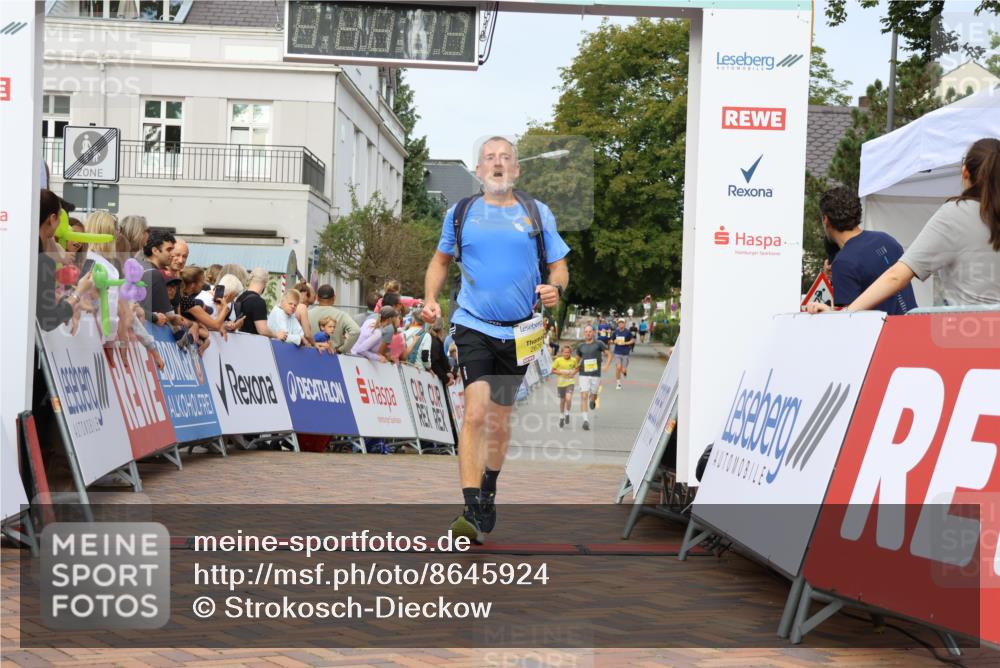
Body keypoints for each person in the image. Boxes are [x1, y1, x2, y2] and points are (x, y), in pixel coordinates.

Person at [421, 135, 570, 542]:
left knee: (500, 423)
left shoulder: (537, 213)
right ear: (480, 170)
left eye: (506, 158)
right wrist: (432, 298)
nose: (498, 163)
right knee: (475, 412)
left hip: (520, 334)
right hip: (473, 325)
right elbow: (440, 261)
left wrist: (555, 288)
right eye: (489, 157)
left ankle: (489, 487)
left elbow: (559, 267)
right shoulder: (461, 213)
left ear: (517, 170)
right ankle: (471, 507)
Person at [811, 138, 1000, 312]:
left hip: (972, 334)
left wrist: (845, 314)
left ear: (965, 171)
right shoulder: (883, 240)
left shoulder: (955, 214)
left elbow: (897, 277)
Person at [817, 186, 916, 314]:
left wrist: (827, 311)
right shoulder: (887, 239)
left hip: (882, 332)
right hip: (914, 325)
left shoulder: (843, 262)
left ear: (826, 219)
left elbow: (849, 320)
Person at [37, 189, 94, 331]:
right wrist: (78, 293)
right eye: (61, 218)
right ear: (52, 219)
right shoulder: (42, 262)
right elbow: (47, 321)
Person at [139, 229, 180, 327]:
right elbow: (170, 318)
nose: (172, 254)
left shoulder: (138, 268)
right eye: (169, 250)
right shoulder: (154, 274)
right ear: (155, 251)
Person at [575, 324, 612, 430]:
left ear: (593, 333)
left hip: (596, 374)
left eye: (590, 331)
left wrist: (607, 365)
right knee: (583, 396)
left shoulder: (599, 344)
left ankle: (593, 399)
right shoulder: (580, 346)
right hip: (583, 374)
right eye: (586, 332)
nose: (588, 333)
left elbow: (609, 354)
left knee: (593, 395)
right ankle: (585, 420)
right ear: (584, 333)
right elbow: (576, 360)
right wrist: (573, 369)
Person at [307, 284, 361, 353]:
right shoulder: (341, 315)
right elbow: (356, 331)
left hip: (311, 353)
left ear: (317, 298)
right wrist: (342, 349)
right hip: (334, 356)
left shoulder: (307, 314)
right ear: (334, 298)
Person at [234, 268, 273, 337]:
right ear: (265, 283)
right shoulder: (258, 302)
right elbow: (262, 330)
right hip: (252, 343)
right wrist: (276, 335)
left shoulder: (240, 298)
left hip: (238, 339)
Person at [551, 345, 578, 428]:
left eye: (568, 352)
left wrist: (573, 373)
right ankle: (562, 416)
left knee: (568, 398)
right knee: (562, 401)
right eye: (565, 352)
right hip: (561, 383)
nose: (566, 354)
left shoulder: (573, 360)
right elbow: (552, 370)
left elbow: (577, 368)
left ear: (570, 353)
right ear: (562, 352)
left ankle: (567, 413)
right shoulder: (558, 360)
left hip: (570, 382)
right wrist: (561, 373)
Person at [429, 318, 453, 388]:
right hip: (436, 382)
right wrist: (446, 379)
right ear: (441, 329)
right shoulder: (434, 342)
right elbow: (434, 363)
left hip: (441, 379)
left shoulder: (437, 341)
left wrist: (448, 372)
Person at [611, 318, 635, 390]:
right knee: (618, 368)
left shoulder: (627, 332)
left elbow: (633, 340)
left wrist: (626, 343)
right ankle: (618, 383)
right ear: (618, 324)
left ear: (624, 324)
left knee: (623, 370)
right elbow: (611, 340)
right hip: (617, 352)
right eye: (619, 323)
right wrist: (614, 341)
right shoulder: (615, 332)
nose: (621, 324)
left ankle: (624, 371)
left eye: (622, 323)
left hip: (625, 353)